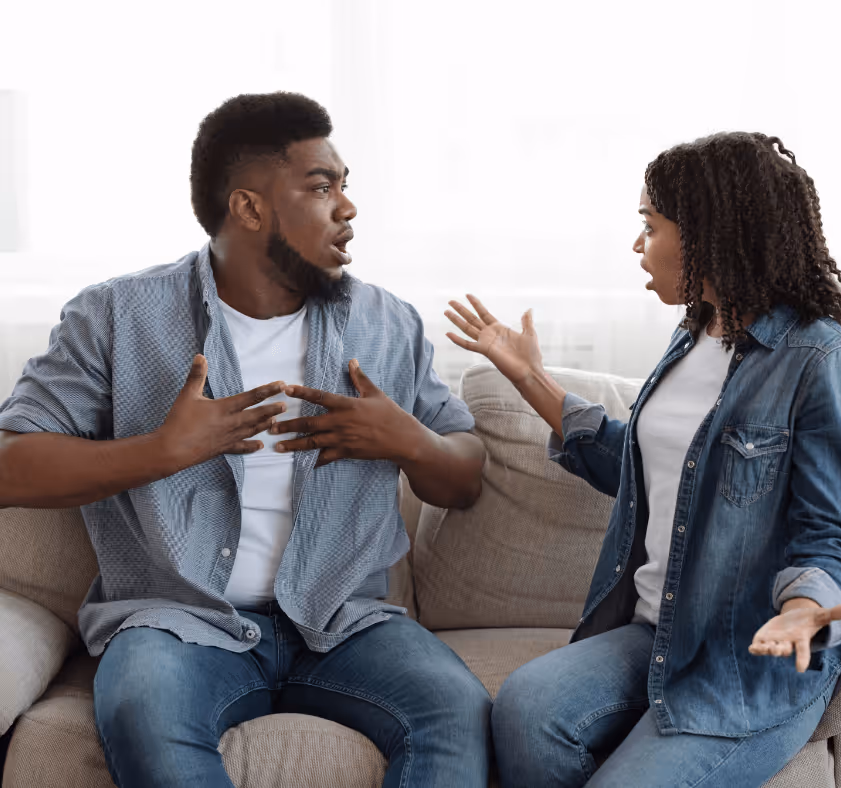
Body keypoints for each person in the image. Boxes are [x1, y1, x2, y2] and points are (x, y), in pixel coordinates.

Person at [0, 92, 492, 788]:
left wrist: (411, 442)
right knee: (142, 709)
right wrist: (161, 451)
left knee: (456, 709)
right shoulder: (116, 316)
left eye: (346, 186)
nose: (348, 208)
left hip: (345, 623)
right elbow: (10, 468)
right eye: (323, 187)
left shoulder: (387, 323)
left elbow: (464, 476)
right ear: (250, 207)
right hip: (179, 622)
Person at [445, 131, 841, 787]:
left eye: (649, 226)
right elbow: (640, 463)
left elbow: (829, 530)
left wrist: (802, 607)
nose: (637, 245)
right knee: (526, 707)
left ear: (710, 234)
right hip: (654, 630)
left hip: (742, 664)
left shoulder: (823, 361)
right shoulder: (694, 336)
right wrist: (527, 377)